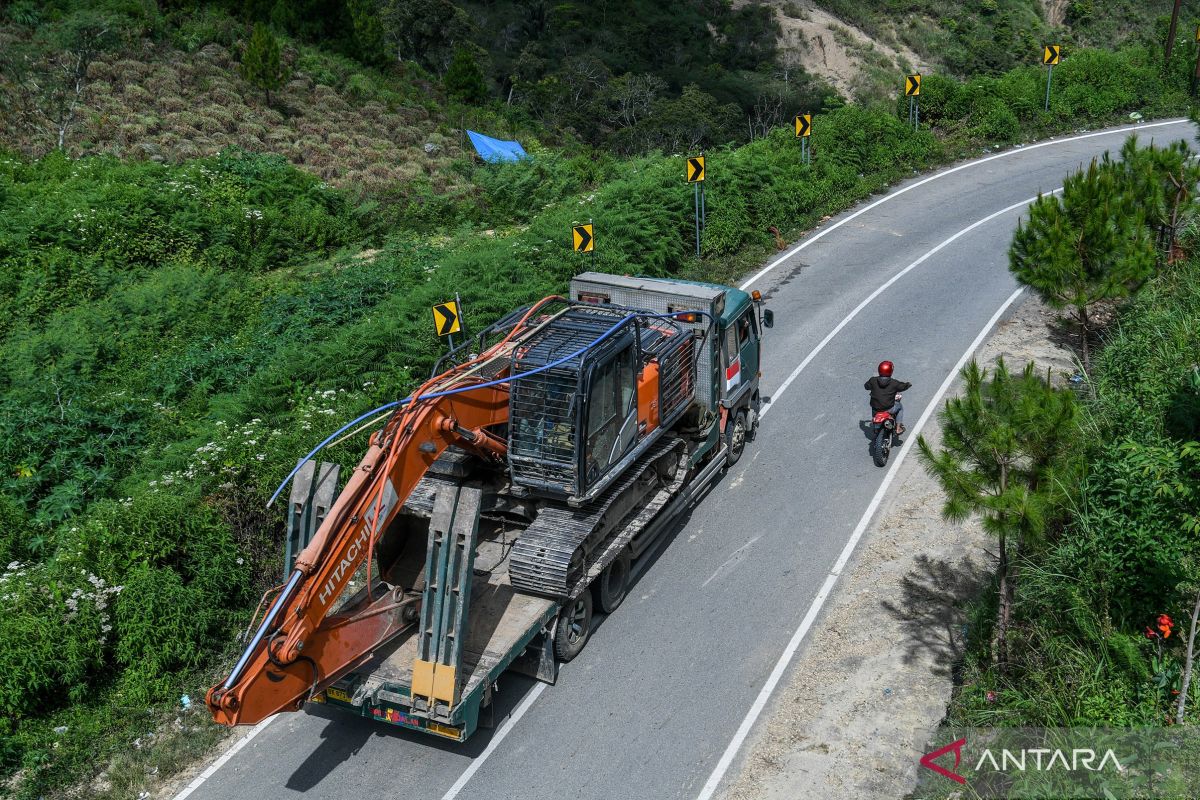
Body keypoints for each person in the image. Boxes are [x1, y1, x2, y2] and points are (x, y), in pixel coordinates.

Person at [864, 360, 911, 435]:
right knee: (900, 407)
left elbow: (866, 386)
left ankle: (876, 426)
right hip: (889, 408)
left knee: (874, 405)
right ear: (890, 371)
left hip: (876, 409)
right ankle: (898, 428)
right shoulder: (894, 383)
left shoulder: (873, 380)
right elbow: (902, 387)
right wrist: (908, 384)